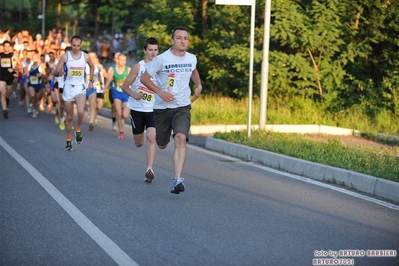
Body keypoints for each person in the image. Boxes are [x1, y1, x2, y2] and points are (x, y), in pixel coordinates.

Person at [140, 26, 202, 194]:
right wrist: (160, 92)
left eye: (185, 38)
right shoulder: (161, 59)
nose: (183, 41)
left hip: (182, 107)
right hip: (162, 108)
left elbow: (194, 71)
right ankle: (163, 142)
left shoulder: (191, 58)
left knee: (181, 138)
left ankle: (177, 179)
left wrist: (198, 85)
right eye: (179, 38)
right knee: (161, 144)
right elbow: (144, 78)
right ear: (172, 41)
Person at [121, 37, 159, 183]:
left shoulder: (161, 67)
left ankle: (149, 169)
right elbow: (125, 86)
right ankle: (139, 138)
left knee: (151, 137)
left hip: (153, 109)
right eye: (150, 50)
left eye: (155, 50)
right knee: (139, 143)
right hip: (137, 109)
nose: (153, 53)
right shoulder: (138, 67)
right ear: (145, 50)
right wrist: (134, 95)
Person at [48, 35, 94, 151]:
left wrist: (91, 81)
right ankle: (68, 139)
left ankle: (78, 128)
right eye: (74, 45)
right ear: (71, 44)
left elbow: (92, 67)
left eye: (78, 46)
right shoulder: (65, 56)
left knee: (80, 112)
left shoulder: (85, 56)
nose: (76, 48)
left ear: (81, 45)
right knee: (69, 116)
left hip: (80, 87)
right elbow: (57, 69)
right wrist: (57, 73)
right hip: (68, 87)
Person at [104, 53, 130, 139]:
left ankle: (121, 120)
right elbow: (109, 80)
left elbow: (135, 79)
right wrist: (105, 88)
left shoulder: (128, 70)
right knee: (119, 113)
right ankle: (121, 132)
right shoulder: (114, 70)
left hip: (126, 94)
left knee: (125, 115)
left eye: (124, 60)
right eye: (121, 60)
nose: (123, 62)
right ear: (117, 61)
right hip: (116, 93)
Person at [0, 40, 17, 119]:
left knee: (8, 93)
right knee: (3, 92)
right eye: (5, 46)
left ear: (10, 47)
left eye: (8, 46)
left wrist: (13, 70)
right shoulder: (0, 55)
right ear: (3, 47)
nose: (6, 48)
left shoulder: (12, 55)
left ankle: (7, 101)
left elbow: (18, 65)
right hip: (1, 76)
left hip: (10, 76)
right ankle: (5, 110)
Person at [27, 53, 45, 118]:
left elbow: (44, 75)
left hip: (38, 84)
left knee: (36, 99)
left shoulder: (40, 66)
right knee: (32, 95)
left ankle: (34, 111)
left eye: (36, 58)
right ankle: (30, 105)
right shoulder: (30, 66)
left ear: (38, 59)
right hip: (31, 83)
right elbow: (26, 74)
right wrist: (27, 78)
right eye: (34, 58)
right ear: (32, 58)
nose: (35, 59)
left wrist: (40, 75)